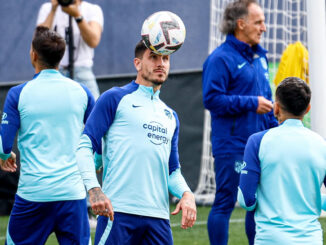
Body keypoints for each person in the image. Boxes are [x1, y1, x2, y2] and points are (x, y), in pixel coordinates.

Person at [76, 40, 197, 245]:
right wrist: (94, 190)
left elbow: (172, 171)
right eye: (153, 57)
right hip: (118, 213)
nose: (161, 63)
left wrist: (187, 194)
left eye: (165, 58)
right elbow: (84, 147)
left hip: (158, 218)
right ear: (137, 63)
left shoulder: (170, 116)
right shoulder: (114, 98)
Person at [0, 26, 98, 244]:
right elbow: (96, 138)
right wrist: (97, 161)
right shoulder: (83, 92)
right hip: (73, 196)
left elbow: (4, 145)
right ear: (61, 58)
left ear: (33, 54)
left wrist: (6, 155)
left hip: (33, 196)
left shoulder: (18, 94)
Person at [202, 0, 278, 244]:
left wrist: (276, 131)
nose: (264, 28)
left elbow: (264, 103)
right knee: (225, 201)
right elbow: (212, 99)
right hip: (232, 144)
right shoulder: (220, 59)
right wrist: (250, 102)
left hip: (261, 144)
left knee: (256, 202)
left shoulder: (260, 58)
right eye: (259, 22)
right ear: (241, 24)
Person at [238, 77, 326, 244]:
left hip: (270, 239)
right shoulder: (322, 145)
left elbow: (246, 200)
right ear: (307, 109)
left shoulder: (257, 141)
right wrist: (311, 197)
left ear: (276, 107)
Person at [37, 0, 103, 100]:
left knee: (94, 110)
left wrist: (77, 15)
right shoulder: (47, 8)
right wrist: (53, 10)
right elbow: (37, 42)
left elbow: (93, 41)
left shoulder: (92, 9)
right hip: (54, 70)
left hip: (82, 70)